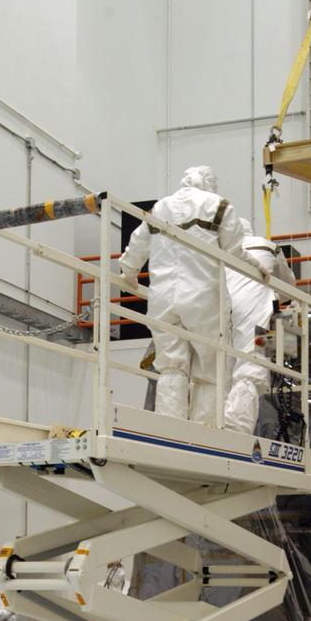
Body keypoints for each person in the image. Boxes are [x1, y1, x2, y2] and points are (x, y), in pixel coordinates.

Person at [119, 165, 247, 427]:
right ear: (209, 183)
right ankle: (205, 432)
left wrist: (128, 272)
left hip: (163, 298)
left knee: (171, 367)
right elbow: (236, 255)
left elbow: (138, 243)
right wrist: (261, 271)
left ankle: (171, 428)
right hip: (203, 298)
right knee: (210, 369)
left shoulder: (160, 207)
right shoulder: (219, 206)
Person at [223, 219, 297, 435]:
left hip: (220, 307)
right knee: (250, 367)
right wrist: (273, 296)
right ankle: (236, 429)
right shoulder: (267, 246)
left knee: (223, 365)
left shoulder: (222, 246)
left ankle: (218, 419)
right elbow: (289, 284)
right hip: (251, 311)